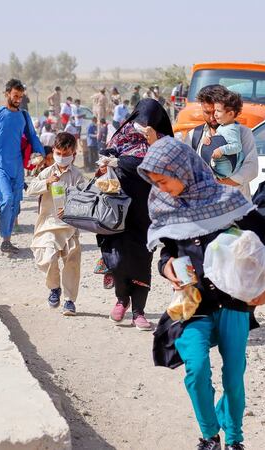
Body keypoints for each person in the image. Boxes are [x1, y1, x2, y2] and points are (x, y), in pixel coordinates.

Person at [141, 137, 265, 450]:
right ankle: (210, 436)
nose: (161, 188)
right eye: (155, 183)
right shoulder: (165, 205)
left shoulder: (226, 200)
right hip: (194, 305)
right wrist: (167, 268)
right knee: (196, 368)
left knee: (233, 376)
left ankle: (234, 439)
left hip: (234, 303)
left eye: (164, 180)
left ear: (182, 170)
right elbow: (167, 252)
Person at [99, 99, 173, 330]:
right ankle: (122, 300)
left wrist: (123, 160)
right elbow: (108, 153)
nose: (143, 126)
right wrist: (107, 160)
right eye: (141, 121)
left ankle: (139, 311)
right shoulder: (124, 133)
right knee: (119, 255)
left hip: (148, 211)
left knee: (143, 258)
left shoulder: (164, 141)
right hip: (120, 207)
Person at [0, 79, 44, 254]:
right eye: (15, 96)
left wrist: (42, 154)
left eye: (20, 97)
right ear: (7, 94)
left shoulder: (23, 116)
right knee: (6, 200)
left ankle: (6, 241)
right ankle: (3, 231)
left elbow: (32, 136)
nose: (18, 99)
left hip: (17, 167)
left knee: (15, 204)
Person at [26, 132, 85, 316]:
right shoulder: (48, 172)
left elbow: (84, 197)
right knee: (47, 257)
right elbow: (30, 190)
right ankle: (54, 288)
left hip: (69, 226)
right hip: (49, 224)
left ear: (73, 154)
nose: (62, 157)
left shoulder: (77, 175)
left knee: (72, 262)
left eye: (66, 154)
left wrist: (71, 206)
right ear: (54, 151)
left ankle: (69, 300)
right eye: (59, 153)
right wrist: (47, 182)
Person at [187, 85, 259, 199]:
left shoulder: (243, 133)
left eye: (216, 112)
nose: (212, 118)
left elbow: (251, 169)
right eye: (207, 112)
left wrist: (218, 185)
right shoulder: (193, 136)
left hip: (237, 207)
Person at [206, 91, 244, 179]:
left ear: (230, 114)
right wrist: (209, 140)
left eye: (218, 111)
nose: (215, 114)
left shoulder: (231, 129)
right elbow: (219, 141)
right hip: (220, 166)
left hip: (225, 169)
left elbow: (236, 146)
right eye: (215, 110)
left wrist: (221, 150)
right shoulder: (224, 126)